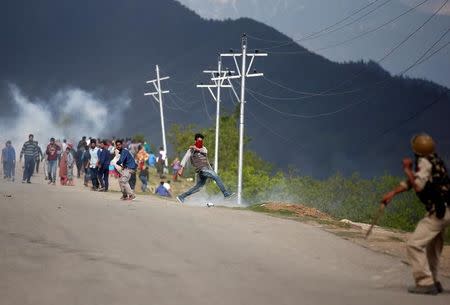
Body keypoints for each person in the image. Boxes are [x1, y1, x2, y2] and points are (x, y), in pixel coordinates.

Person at [381, 134, 450, 295]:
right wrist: (392, 193)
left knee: (414, 244)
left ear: (417, 149)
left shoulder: (424, 162)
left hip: (438, 211)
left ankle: (425, 282)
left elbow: (417, 185)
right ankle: (433, 280)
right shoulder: (436, 161)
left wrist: (407, 169)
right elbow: (412, 182)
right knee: (433, 246)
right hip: (446, 209)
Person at [176, 133, 234, 203]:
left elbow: (204, 153)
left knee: (198, 188)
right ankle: (226, 194)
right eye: (198, 141)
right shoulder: (191, 151)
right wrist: (181, 168)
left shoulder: (204, 148)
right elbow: (185, 158)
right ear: (195, 141)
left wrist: (195, 147)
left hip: (207, 169)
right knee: (216, 176)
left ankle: (181, 196)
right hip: (201, 170)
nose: (200, 142)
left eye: (201, 141)